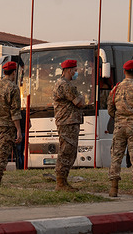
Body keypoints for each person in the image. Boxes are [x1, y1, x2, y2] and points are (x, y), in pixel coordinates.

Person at [107, 60, 133, 198]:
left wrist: (120, 118)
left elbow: (110, 109)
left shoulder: (116, 89)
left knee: (116, 156)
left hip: (119, 127)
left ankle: (114, 188)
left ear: (124, 72)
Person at [52, 59, 85, 192]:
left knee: (69, 151)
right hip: (67, 122)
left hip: (68, 121)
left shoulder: (63, 84)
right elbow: (80, 102)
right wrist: (82, 97)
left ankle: (63, 181)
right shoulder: (65, 85)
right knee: (66, 151)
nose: (76, 73)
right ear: (69, 70)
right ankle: (60, 182)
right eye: (75, 71)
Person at [0, 61, 22, 184]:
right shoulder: (13, 88)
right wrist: (18, 130)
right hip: (7, 126)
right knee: (2, 153)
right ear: (14, 72)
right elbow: (15, 111)